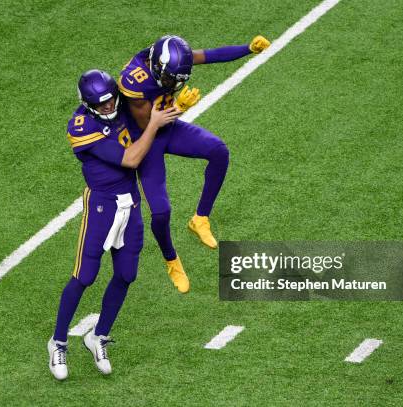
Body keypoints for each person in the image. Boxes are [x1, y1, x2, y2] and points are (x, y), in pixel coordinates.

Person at [48, 69, 181, 380]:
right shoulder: (81, 127)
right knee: (85, 276)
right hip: (101, 204)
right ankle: (57, 342)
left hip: (130, 202)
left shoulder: (120, 104)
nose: (109, 107)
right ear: (89, 103)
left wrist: (172, 108)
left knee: (126, 274)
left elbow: (149, 112)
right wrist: (154, 124)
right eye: (102, 104)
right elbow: (132, 158)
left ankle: (99, 336)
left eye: (111, 101)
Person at [118, 34, 270, 293]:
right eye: (168, 80)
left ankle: (199, 219)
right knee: (161, 212)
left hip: (168, 127)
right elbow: (149, 126)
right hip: (145, 140)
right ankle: (172, 260)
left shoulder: (171, 61)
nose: (171, 84)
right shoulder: (134, 82)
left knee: (219, 151)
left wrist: (247, 49)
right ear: (156, 67)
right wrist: (178, 107)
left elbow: (208, 55)